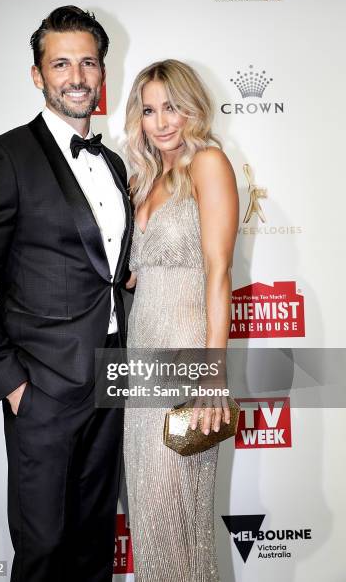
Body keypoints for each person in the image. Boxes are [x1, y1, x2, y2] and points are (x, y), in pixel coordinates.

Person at [0, 6, 132, 582]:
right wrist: (13, 384)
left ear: (102, 71)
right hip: (43, 386)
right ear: (37, 75)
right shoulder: (4, 157)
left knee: (95, 540)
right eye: (61, 64)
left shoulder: (116, 164)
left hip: (110, 374)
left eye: (88, 62)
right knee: (43, 548)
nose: (76, 76)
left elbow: (106, 269)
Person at [123, 60, 238, 581]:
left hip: (188, 363)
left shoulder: (207, 164)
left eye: (171, 106)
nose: (162, 121)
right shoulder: (144, 180)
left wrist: (214, 377)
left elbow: (219, 272)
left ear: (192, 106)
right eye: (149, 109)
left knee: (180, 522)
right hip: (140, 368)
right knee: (150, 523)